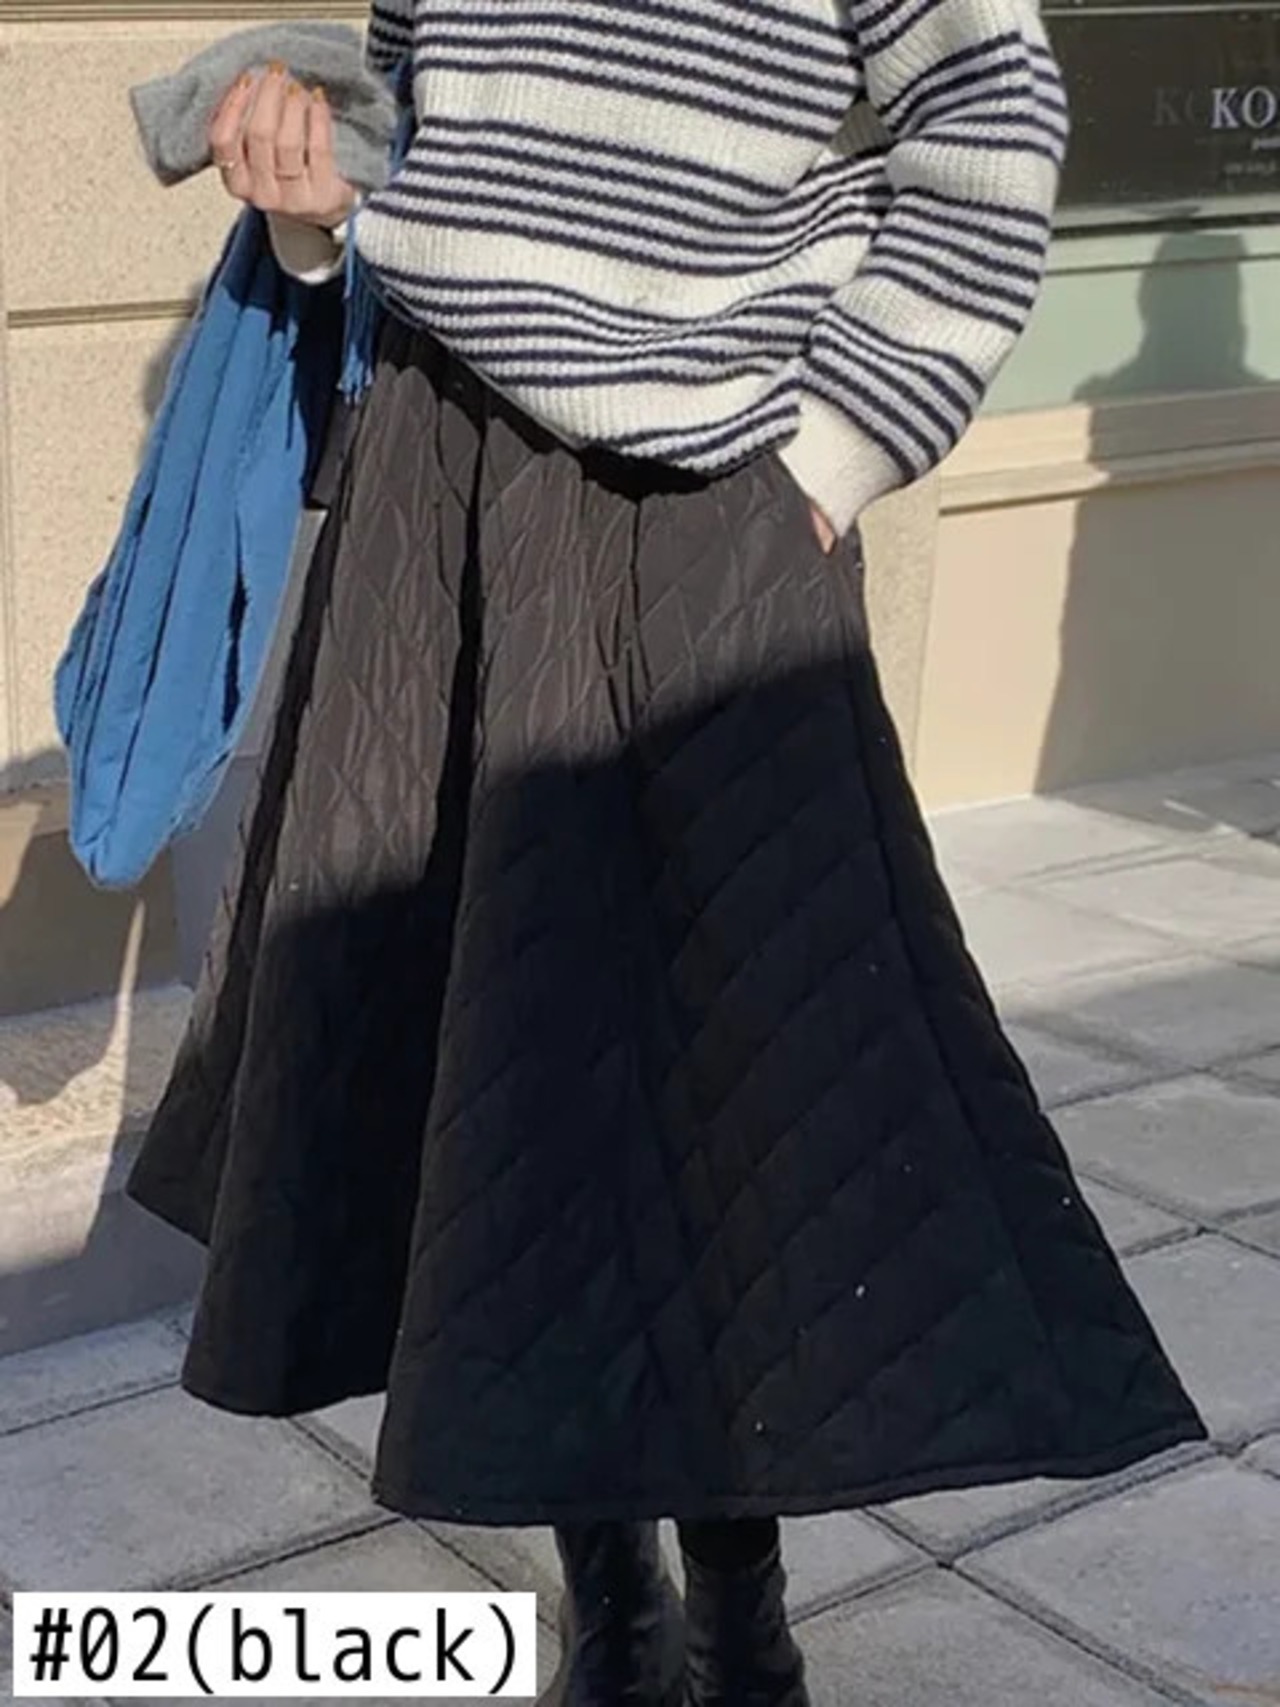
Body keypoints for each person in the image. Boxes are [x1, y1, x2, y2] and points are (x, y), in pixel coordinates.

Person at [127, 6, 1206, 1704]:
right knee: (503, 1060)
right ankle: (614, 1597)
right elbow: (419, 114)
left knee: (730, 1065)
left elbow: (990, 118)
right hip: (441, 479)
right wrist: (313, 212)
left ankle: (740, 1599)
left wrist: (831, 457)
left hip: (711, 511)